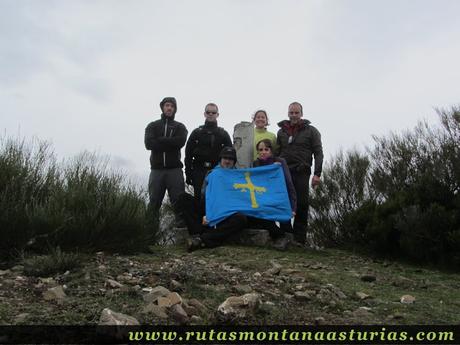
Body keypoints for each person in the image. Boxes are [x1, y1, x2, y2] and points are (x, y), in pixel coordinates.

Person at [277, 102, 323, 245]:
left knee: (302, 204)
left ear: (301, 114)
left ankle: (300, 239)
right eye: (291, 112)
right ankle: (287, 234)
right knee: (283, 203)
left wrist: (317, 174)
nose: (294, 115)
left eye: (296, 112)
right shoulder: (281, 132)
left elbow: (318, 153)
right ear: (288, 113)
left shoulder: (311, 131)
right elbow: (278, 153)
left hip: (302, 171)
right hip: (284, 172)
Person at [186, 147, 247, 251]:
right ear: (220, 159)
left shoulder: (239, 176)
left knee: (241, 219)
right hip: (211, 208)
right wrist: (209, 213)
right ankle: (198, 233)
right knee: (184, 199)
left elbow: (240, 198)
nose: (227, 161)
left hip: (229, 211)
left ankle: (202, 240)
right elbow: (205, 195)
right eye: (225, 158)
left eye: (230, 159)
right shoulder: (212, 173)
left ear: (234, 161)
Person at [144, 97, 188, 229]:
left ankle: (181, 236)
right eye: (167, 105)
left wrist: (160, 140)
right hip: (156, 170)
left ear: (175, 109)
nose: (169, 108)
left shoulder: (180, 126)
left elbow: (180, 142)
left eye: (172, 106)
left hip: (174, 170)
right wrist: (170, 142)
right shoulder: (153, 125)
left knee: (179, 202)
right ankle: (149, 236)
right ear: (162, 107)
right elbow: (149, 144)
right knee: (154, 203)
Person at [184, 103, 232, 217]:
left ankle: (216, 224)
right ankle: (199, 227)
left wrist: (228, 173)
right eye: (208, 112)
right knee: (198, 198)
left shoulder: (223, 133)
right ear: (204, 114)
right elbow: (188, 154)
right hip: (198, 169)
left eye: (213, 112)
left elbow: (230, 154)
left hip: (217, 170)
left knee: (217, 197)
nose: (211, 114)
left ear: (217, 114)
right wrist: (188, 172)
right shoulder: (197, 132)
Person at [250, 139, 297, 250]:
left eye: (266, 149)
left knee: (285, 219)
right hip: (264, 199)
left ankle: (290, 241)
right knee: (261, 218)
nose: (263, 152)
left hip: (279, 198)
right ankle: (280, 237)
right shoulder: (255, 164)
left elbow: (289, 183)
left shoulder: (280, 162)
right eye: (260, 150)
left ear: (271, 150)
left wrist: (293, 206)